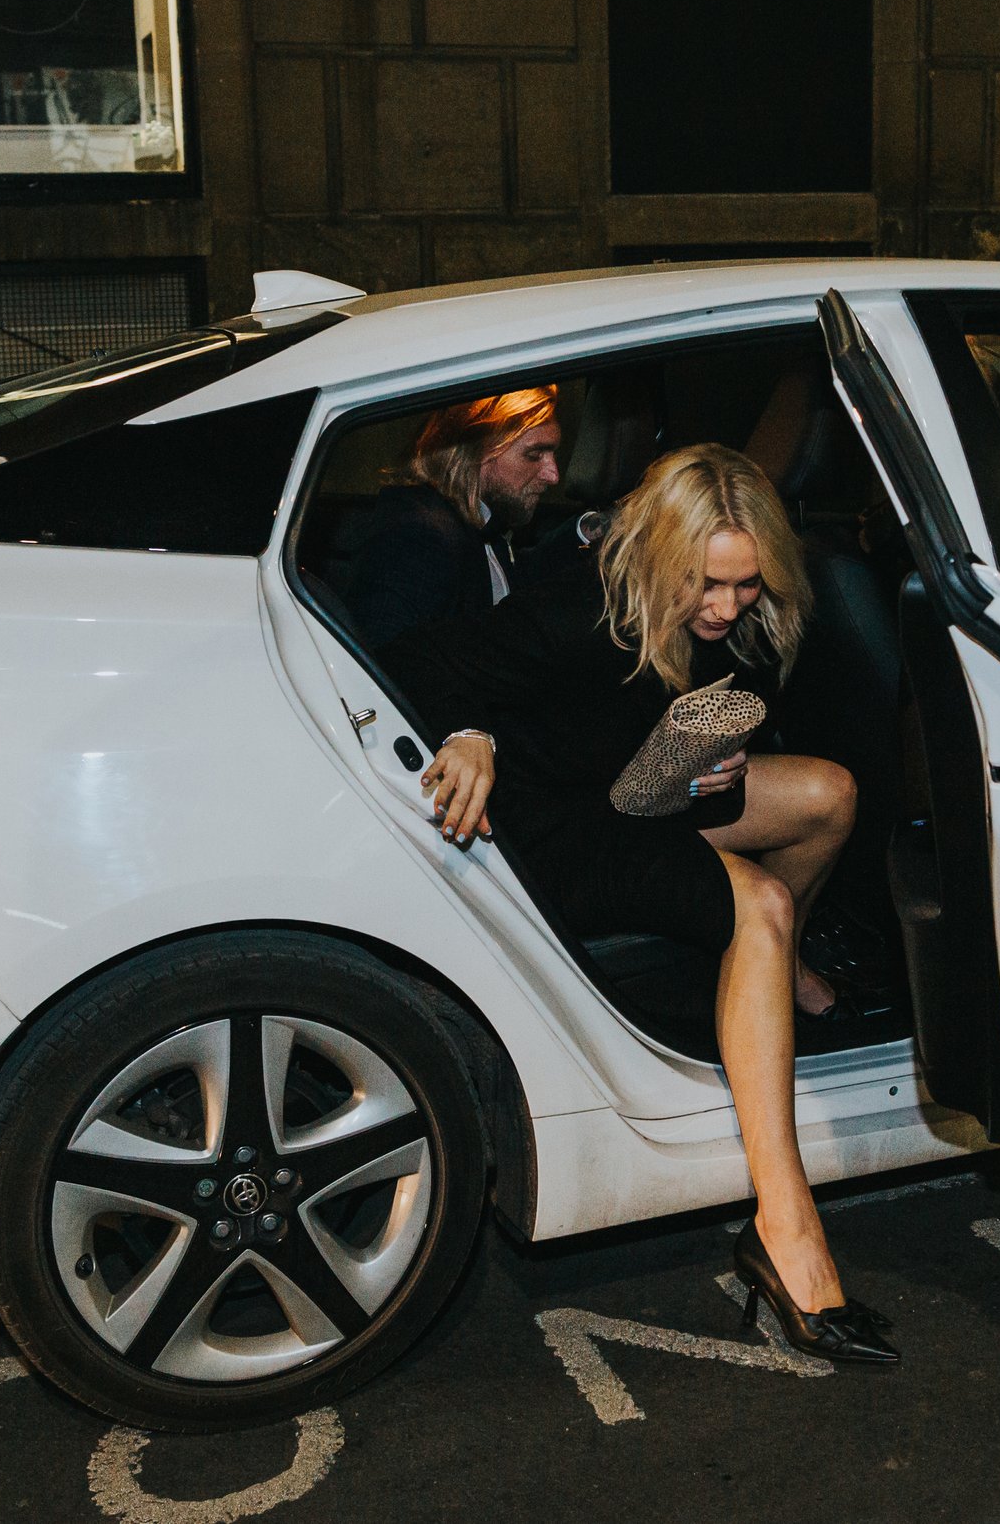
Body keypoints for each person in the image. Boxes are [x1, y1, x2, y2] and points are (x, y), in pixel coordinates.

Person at [384, 444, 896, 1365]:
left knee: (829, 796)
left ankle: (770, 973)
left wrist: (709, 763)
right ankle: (787, 1227)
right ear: (663, 555)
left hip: (643, 794)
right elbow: (415, 660)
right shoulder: (586, 607)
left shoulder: (752, 622)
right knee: (761, 905)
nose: (727, 605)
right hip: (556, 825)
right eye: (708, 583)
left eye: (747, 583)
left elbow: (664, 764)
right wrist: (474, 734)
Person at [347, 385, 573, 649]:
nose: (553, 475)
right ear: (481, 450)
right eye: (534, 455)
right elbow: (391, 662)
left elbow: (509, 584)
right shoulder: (418, 538)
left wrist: (584, 531)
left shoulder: (478, 520)